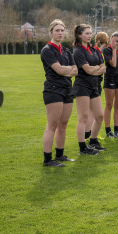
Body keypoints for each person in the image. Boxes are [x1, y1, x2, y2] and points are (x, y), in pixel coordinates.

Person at [40, 19, 78, 167]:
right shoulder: (47, 50)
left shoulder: (66, 50)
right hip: (53, 90)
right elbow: (60, 70)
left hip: (68, 90)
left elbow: (75, 70)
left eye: (62, 30)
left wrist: (66, 70)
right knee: (52, 125)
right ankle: (48, 159)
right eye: (57, 30)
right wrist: (67, 70)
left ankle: (60, 155)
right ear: (51, 32)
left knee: (63, 124)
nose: (60, 33)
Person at [72, 24, 106, 155]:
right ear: (80, 35)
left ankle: (93, 141)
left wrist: (95, 70)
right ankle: (82, 147)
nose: (89, 35)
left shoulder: (95, 50)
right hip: (82, 86)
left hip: (94, 86)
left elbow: (103, 68)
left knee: (99, 116)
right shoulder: (78, 51)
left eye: (90, 33)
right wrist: (96, 69)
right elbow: (87, 70)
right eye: (86, 33)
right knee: (83, 117)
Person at [102, 32, 118, 138]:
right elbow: (113, 64)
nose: (115, 43)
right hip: (110, 79)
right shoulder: (107, 50)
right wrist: (113, 49)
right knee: (109, 105)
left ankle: (117, 130)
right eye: (113, 40)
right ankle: (108, 131)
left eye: (117, 41)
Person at [85, 32, 108, 140]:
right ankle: (88, 133)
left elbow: (102, 68)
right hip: (94, 83)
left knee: (92, 111)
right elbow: (101, 69)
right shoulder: (96, 51)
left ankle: (89, 132)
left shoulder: (97, 51)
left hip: (95, 81)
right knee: (93, 111)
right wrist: (98, 70)